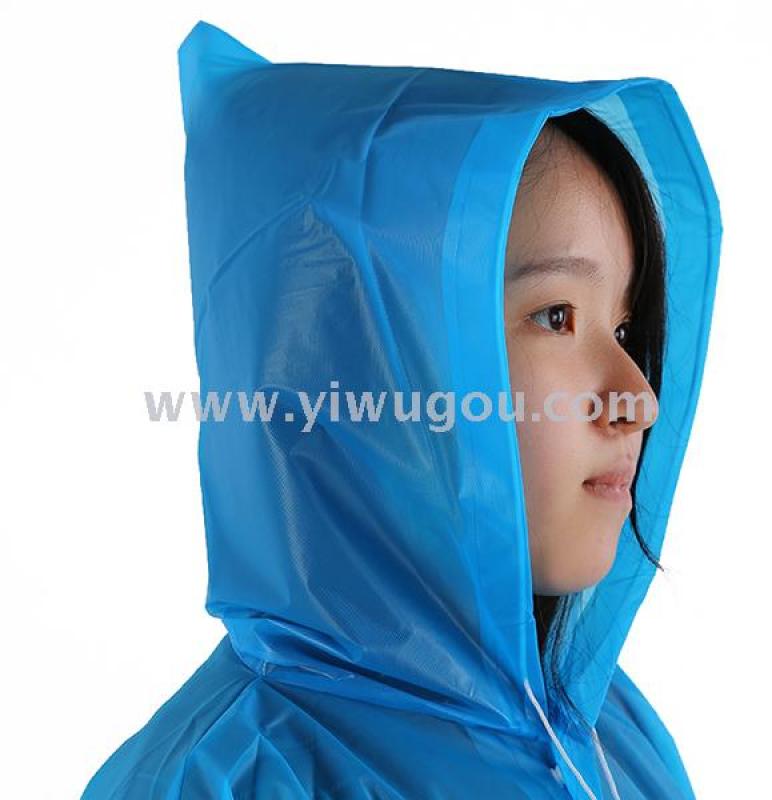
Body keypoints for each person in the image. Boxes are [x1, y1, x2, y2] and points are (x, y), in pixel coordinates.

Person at [80, 20, 722, 799]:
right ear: (367, 360)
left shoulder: (608, 735)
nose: (639, 399)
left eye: (623, 328)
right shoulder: (238, 782)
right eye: (557, 316)